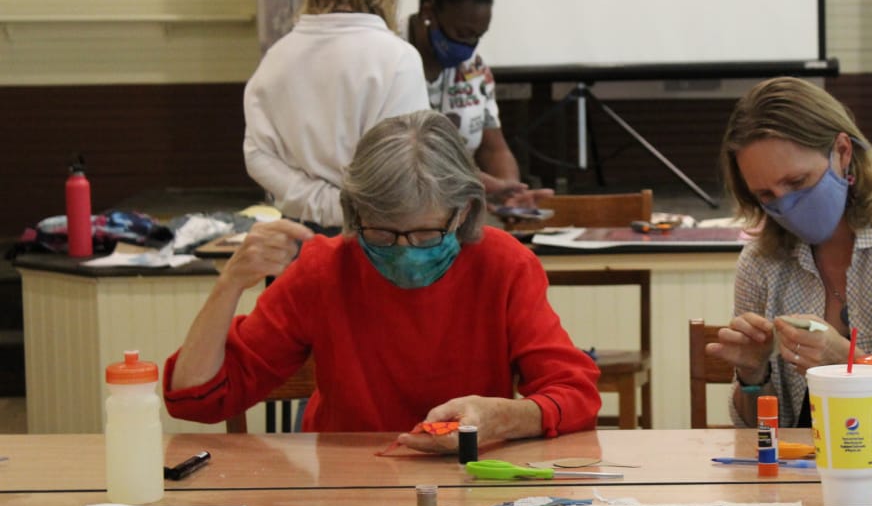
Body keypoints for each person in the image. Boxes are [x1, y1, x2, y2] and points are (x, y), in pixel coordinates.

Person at [166, 110, 601, 451]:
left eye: (426, 233)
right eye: (381, 232)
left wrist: (503, 417)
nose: (404, 250)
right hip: (350, 486)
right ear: (356, 214)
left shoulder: (503, 265)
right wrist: (230, 284)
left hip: (472, 476)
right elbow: (197, 398)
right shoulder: (325, 269)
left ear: (465, 211)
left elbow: (574, 393)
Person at [707, 77, 872, 428]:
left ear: (843, 153)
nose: (786, 204)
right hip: (793, 477)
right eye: (767, 196)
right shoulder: (761, 263)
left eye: (797, 182)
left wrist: (852, 366)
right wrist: (753, 376)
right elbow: (759, 434)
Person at [244, 0, 430, 231]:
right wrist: (343, 210)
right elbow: (406, 169)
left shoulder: (277, 58)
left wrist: (319, 201)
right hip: (377, 238)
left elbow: (257, 155)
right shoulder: (398, 58)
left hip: (296, 236)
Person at [405, 0, 551, 211]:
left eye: (478, 36)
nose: (469, 47)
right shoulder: (389, 59)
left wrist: (511, 192)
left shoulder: (475, 69)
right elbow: (412, 158)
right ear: (428, 12)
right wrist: (485, 185)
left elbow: (492, 147)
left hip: (459, 219)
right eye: (461, 33)